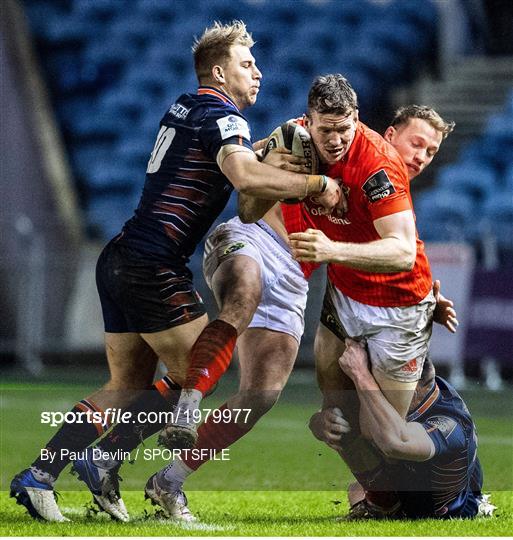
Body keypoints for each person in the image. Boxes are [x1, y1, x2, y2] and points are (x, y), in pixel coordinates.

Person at [72, 86, 456, 520]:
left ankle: (161, 479)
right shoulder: (300, 136)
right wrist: (292, 175)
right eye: (416, 143)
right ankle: (187, 409)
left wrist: (429, 298)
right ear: (389, 132)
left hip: (297, 276)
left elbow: (404, 252)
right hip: (253, 239)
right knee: (243, 294)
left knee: (262, 394)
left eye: (432, 150)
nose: (422, 155)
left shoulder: (384, 182)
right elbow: (250, 205)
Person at [9, 21, 341, 523]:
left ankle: (41, 476)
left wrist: (270, 162)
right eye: (246, 63)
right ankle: (102, 459)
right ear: (218, 70)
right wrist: (315, 183)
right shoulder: (221, 113)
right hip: (151, 264)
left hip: (123, 255)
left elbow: (248, 204)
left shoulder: (189, 107)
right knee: (195, 374)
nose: (258, 73)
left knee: (125, 388)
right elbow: (243, 177)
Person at [312, 338, 494, 520]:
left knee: (362, 477)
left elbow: (397, 442)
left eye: (382, 385)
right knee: (346, 423)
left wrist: (361, 375)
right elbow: (333, 417)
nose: (378, 389)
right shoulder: (417, 392)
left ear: (410, 388)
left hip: (441, 510)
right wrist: (321, 423)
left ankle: (477, 502)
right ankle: (381, 503)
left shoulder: (450, 423)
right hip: (401, 486)